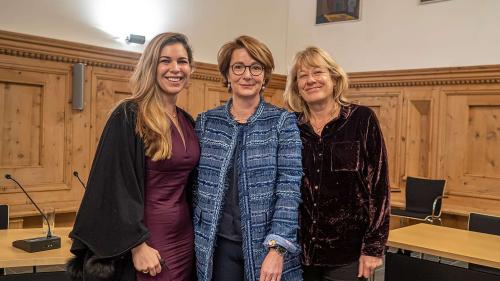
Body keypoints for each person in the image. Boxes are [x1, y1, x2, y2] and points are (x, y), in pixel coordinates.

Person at [67, 32, 199, 281]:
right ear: (151, 66)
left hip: (185, 239)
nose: (175, 68)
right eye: (165, 61)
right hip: (147, 240)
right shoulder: (129, 115)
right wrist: (137, 245)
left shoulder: (188, 121)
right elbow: (111, 185)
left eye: (182, 61)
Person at [193, 35, 303, 281]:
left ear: (264, 76)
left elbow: (289, 188)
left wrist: (278, 247)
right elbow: (193, 186)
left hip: (266, 247)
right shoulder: (207, 122)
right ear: (227, 75)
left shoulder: (282, 122)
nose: (247, 75)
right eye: (238, 67)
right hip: (217, 247)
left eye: (256, 67)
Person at [283, 46, 390, 281]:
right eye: (302, 76)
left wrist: (373, 247)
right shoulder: (289, 126)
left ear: (333, 77)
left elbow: (379, 188)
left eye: (317, 72)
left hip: (347, 254)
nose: (310, 80)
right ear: (296, 87)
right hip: (298, 253)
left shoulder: (362, 119)